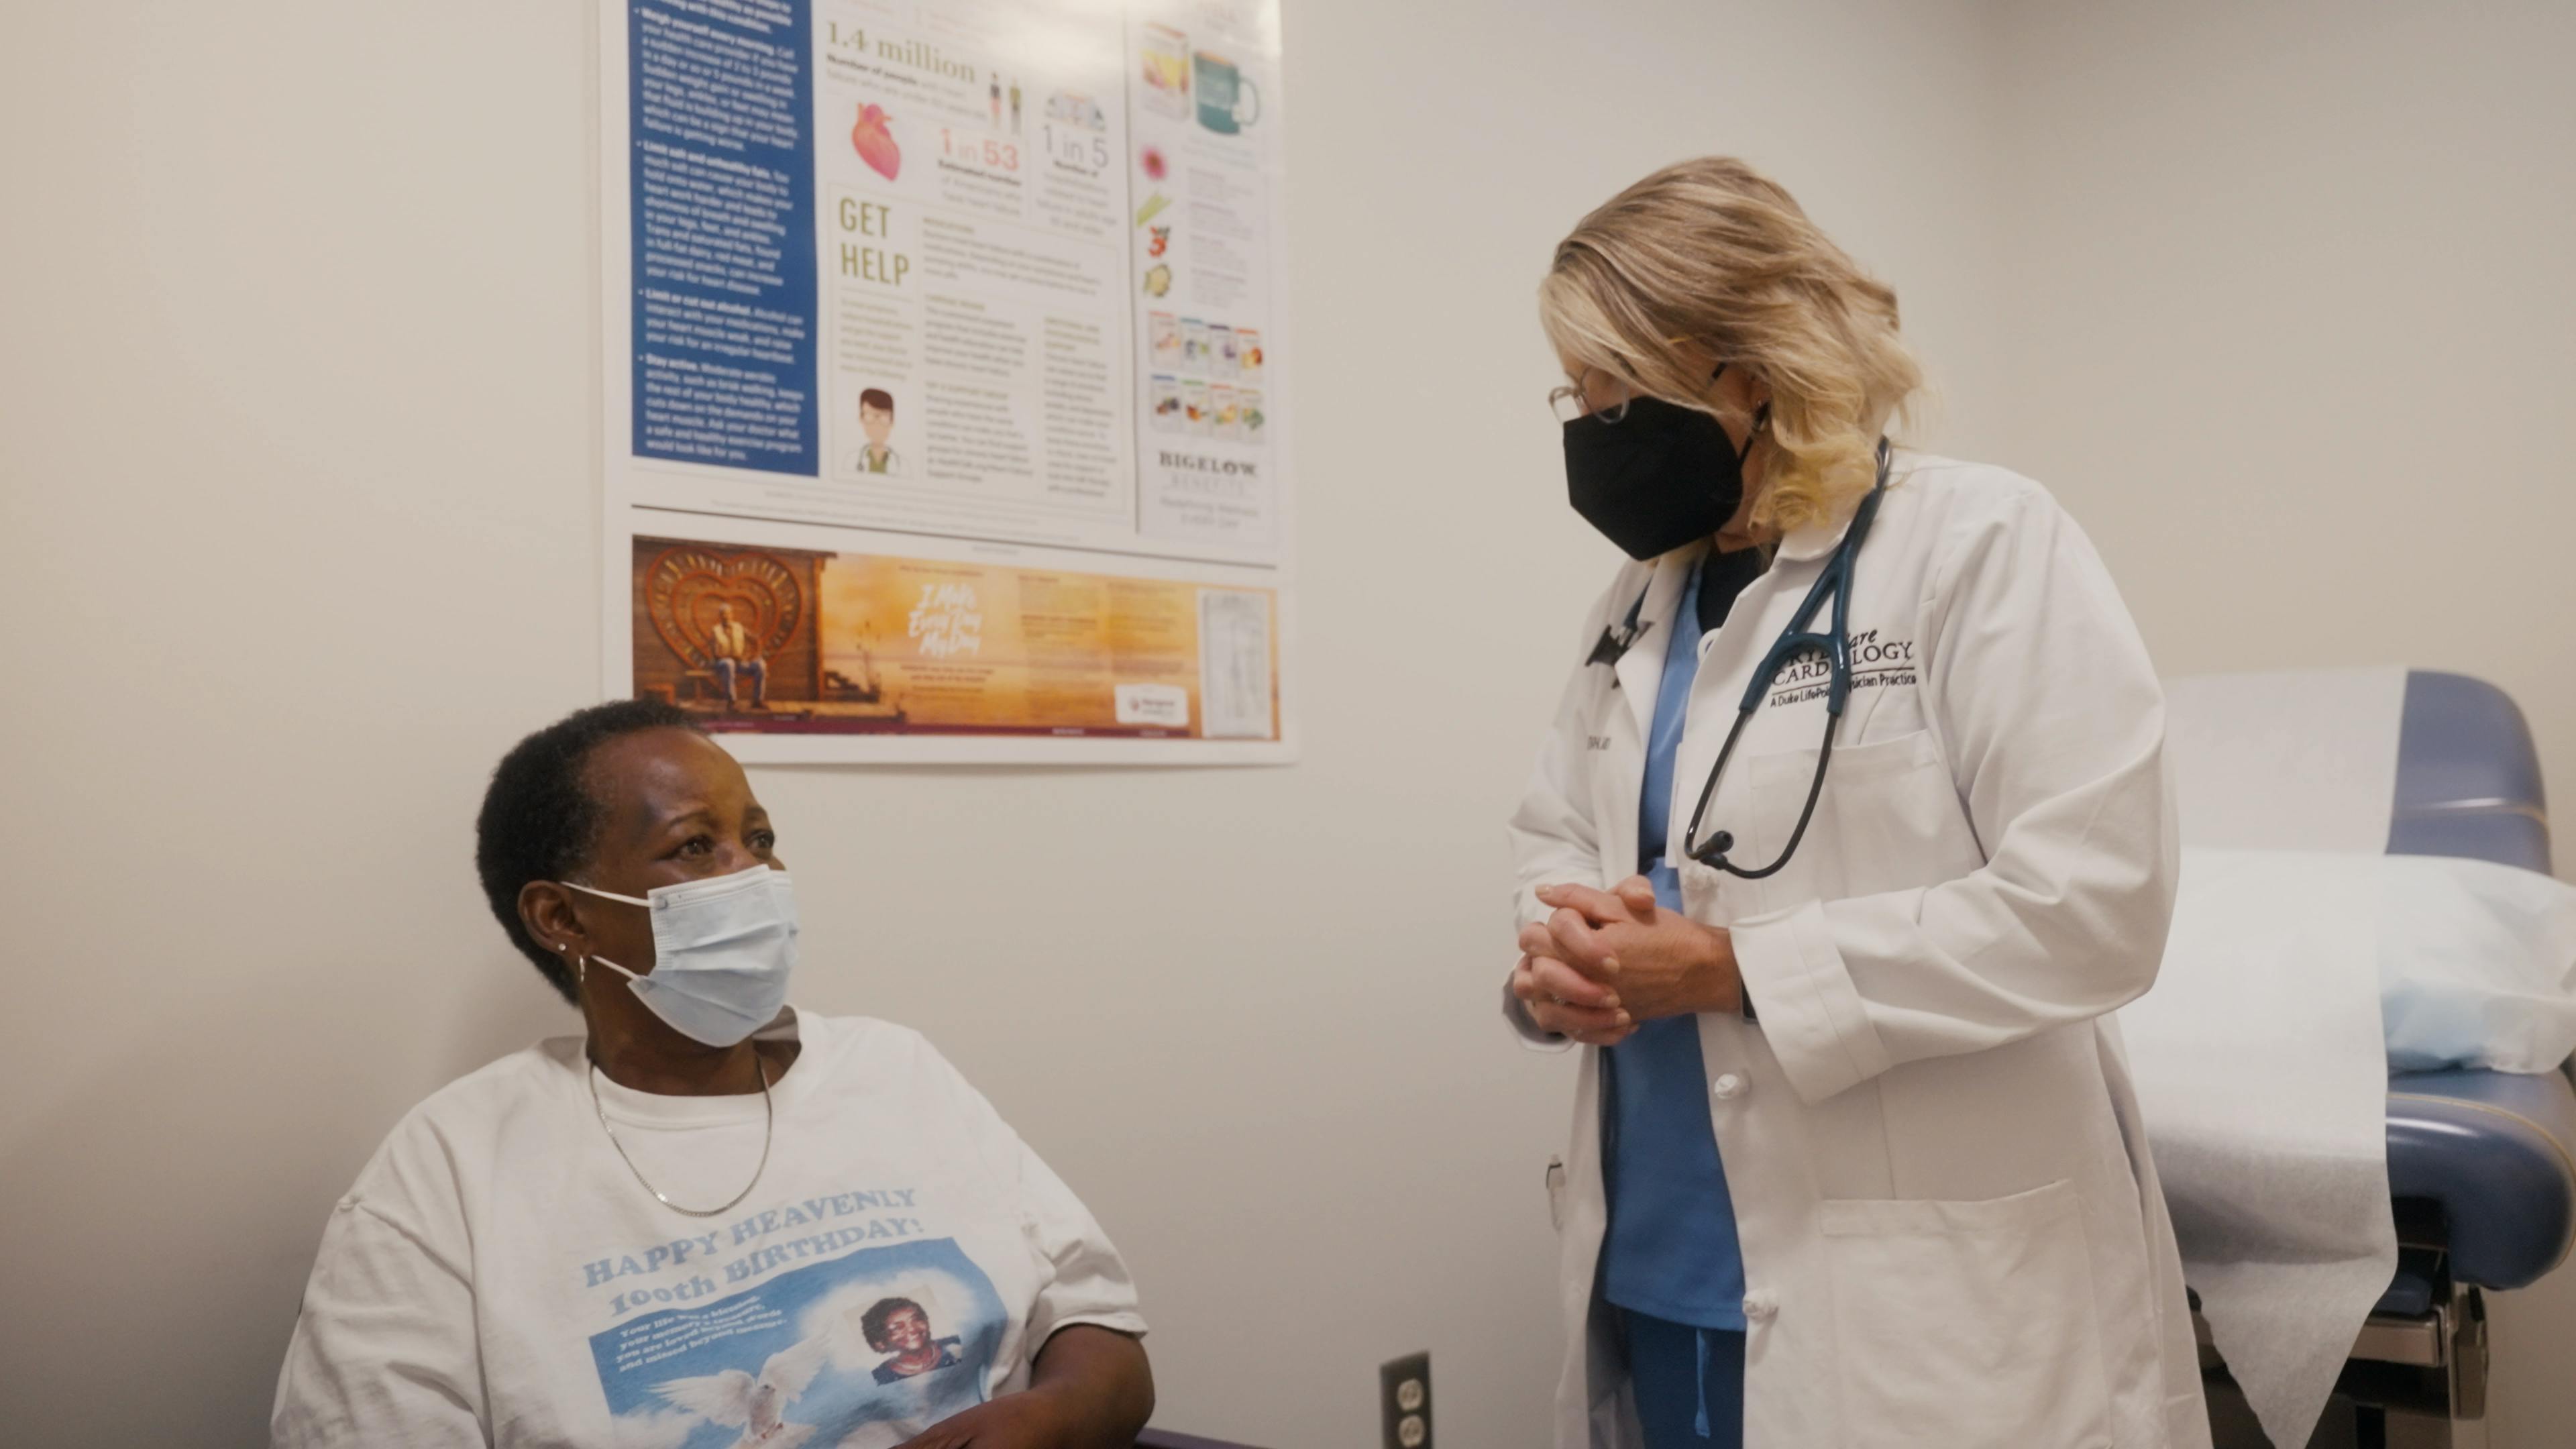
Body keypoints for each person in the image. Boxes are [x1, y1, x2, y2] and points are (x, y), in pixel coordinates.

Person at [1507, 157, 2208, 1449]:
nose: (1588, 418)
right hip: (1659, 1254)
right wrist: (1555, 960)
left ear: (1747, 367)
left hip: (1924, 1294)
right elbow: (1557, 828)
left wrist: (1735, 970)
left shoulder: (1980, 542)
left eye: (1611, 381)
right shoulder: (1639, 604)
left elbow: (2095, 905)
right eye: (1575, 387)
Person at [271, 700, 1152, 1448]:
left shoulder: (892, 1071)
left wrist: (1054, 1414)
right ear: (562, 917)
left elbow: (1097, 1324)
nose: (757, 874)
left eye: (759, 837)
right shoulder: (450, 1172)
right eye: (697, 847)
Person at [707, 602, 768, 710]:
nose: (726, 617)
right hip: (721, 664)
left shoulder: (739, 627)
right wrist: (733, 657)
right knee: (729, 663)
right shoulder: (715, 631)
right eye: (723, 614)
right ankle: (732, 702)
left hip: (739, 664)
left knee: (761, 664)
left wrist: (756, 655)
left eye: (728, 614)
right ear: (720, 616)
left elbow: (756, 639)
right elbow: (716, 654)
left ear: (732, 615)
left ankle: (758, 700)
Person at [853, 387, 901, 475]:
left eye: (884, 416)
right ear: (861, 419)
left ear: (892, 421)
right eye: (870, 415)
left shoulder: (903, 465)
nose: (877, 424)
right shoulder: (851, 460)